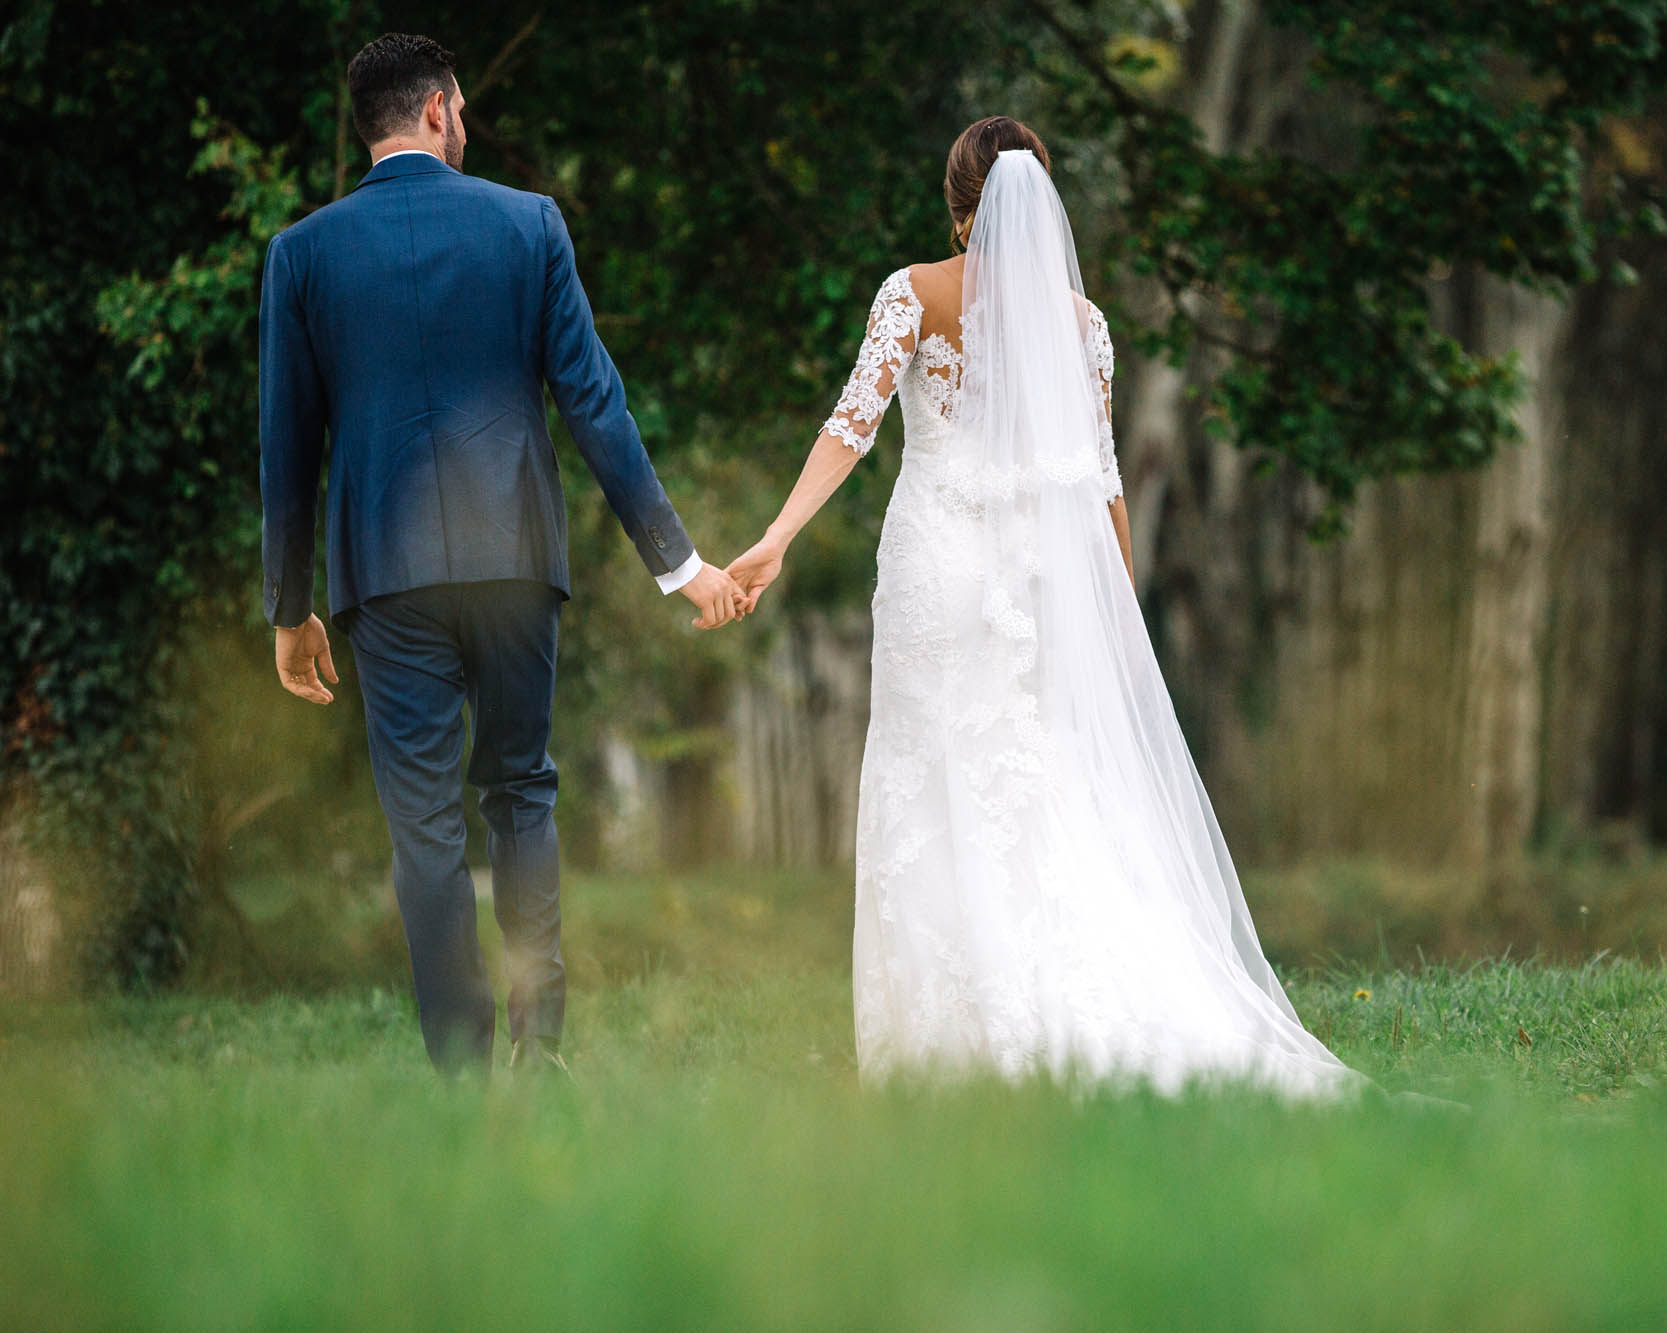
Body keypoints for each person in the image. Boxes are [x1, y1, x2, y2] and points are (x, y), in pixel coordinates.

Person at [727, 118, 1366, 1099]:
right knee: (1030, 774)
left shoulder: (911, 294)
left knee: (929, 774)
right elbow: (1101, 480)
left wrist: (775, 536)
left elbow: (849, 429)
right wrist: (1112, 614)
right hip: (1030, 577)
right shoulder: (1082, 324)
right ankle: (1032, 1007)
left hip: (937, 565)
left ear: (955, 202)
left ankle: (949, 1036)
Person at [259, 32, 744, 1076]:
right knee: (520, 791)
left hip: (383, 577)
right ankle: (542, 1043)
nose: (467, 126)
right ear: (437, 110)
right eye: (464, 110)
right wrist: (680, 563)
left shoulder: (301, 254)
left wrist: (287, 607)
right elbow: (595, 406)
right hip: (515, 555)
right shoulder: (528, 225)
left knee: (423, 826)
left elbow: (286, 447)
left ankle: (458, 1063)